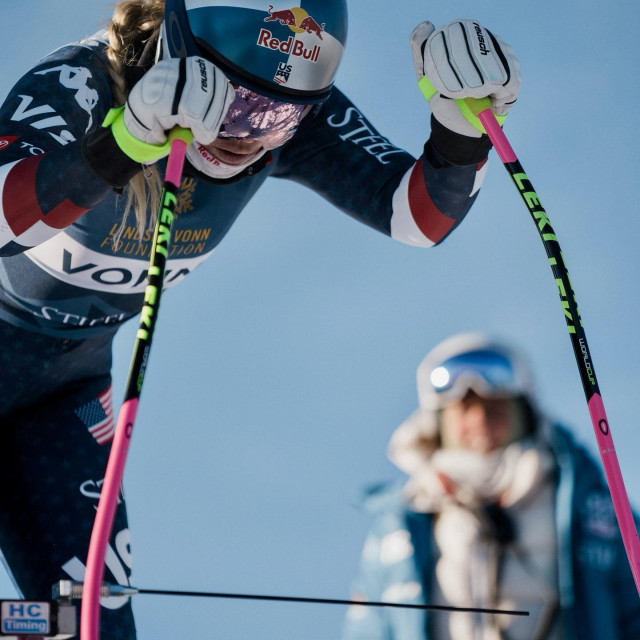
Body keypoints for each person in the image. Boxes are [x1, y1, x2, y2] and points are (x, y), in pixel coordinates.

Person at [0, 1, 522, 637]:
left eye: (276, 118)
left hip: (65, 396)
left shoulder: (294, 116)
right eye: (231, 105)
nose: (246, 134)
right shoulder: (82, 81)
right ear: (175, 46)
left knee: (93, 624)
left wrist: (459, 130)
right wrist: (121, 143)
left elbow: (416, 217)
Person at [342, 332, 640, 640]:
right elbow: (367, 630)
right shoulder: (401, 521)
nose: (480, 420)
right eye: (463, 409)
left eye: (494, 406)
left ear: (523, 412)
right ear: (438, 423)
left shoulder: (590, 508)